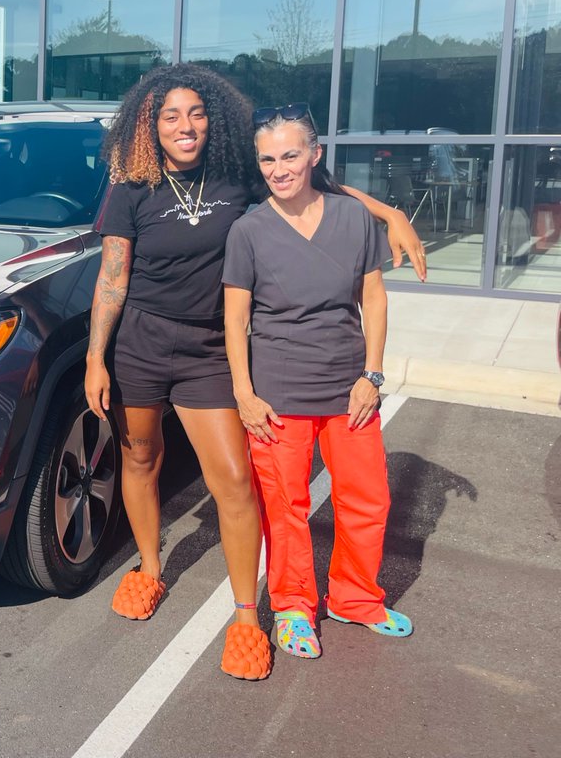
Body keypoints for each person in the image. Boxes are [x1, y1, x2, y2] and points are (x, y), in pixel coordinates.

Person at [85, 66, 425, 681]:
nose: (184, 126)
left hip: (209, 349)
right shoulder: (130, 187)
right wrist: (94, 356)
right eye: (169, 116)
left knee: (237, 482)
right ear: (149, 124)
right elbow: (114, 276)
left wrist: (387, 211)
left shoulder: (237, 176)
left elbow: (313, 183)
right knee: (140, 459)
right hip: (139, 345)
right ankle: (151, 570)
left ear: (212, 117)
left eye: (195, 113)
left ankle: (247, 614)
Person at [222, 104, 413, 660]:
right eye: (268, 159)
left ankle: (355, 598)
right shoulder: (248, 230)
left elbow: (373, 297)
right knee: (285, 507)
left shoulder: (352, 218)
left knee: (367, 497)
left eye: (289, 155)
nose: (279, 169)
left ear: (314, 155)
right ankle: (292, 608)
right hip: (277, 392)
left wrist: (372, 375)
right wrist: (244, 393)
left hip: (348, 385)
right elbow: (236, 318)